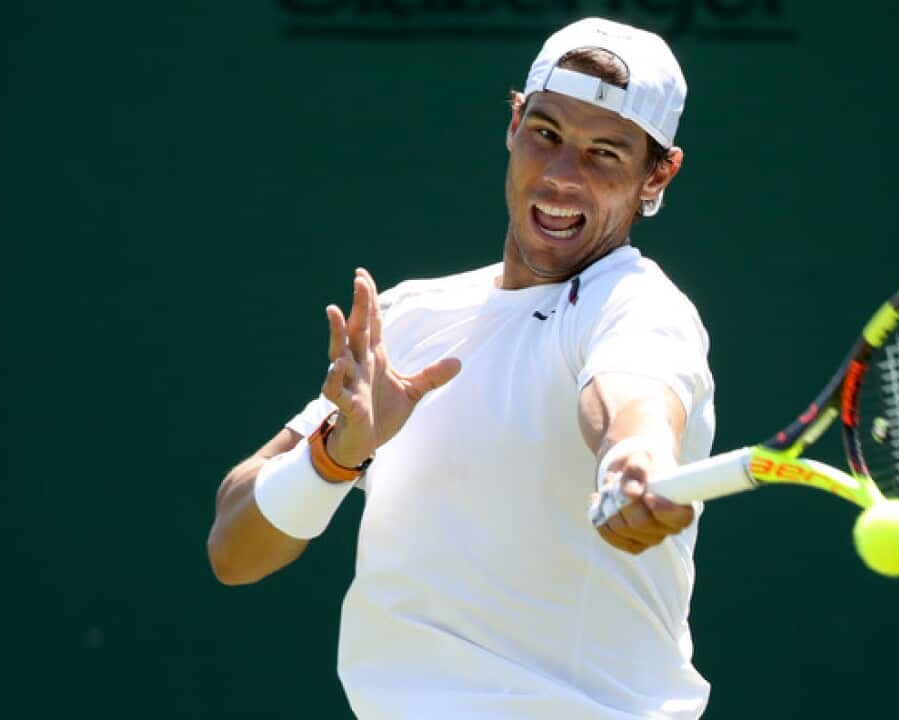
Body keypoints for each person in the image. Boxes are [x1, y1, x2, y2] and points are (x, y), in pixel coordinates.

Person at [207, 17, 716, 719]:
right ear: (514, 123)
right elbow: (233, 553)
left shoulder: (639, 306)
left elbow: (635, 403)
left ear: (658, 173)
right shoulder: (408, 319)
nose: (562, 176)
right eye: (546, 134)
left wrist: (633, 459)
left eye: (604, 153)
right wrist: (334, 457)